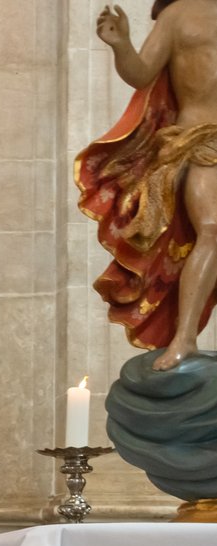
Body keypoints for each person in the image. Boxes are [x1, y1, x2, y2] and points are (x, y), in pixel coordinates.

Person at [84, 1, 217, 368]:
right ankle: (185, 338)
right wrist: (121, 44)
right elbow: (142, 74)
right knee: (212, 228)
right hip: (201, 138)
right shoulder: (179, 15)